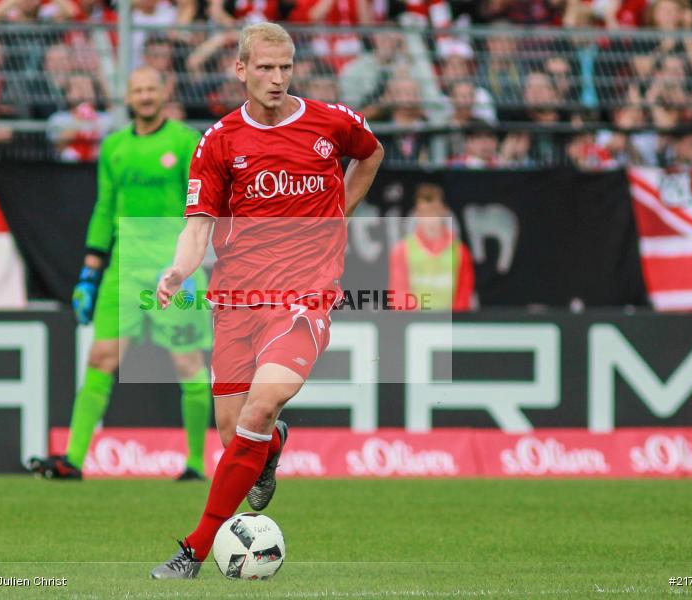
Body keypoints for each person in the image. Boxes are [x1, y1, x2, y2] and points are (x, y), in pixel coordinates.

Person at [151, 22, 383, 579]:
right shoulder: (220, 142)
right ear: (241, 70)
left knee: (259, 405)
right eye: (265, 69)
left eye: (284, 68)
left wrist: (338, 215)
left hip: (306, 294)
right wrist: (180, 270)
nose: (277, 79)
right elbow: (199, 224)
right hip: (236, 297)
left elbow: (370, 155)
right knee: (237, 434)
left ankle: (194, 549)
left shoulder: (334, 122)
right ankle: (271, 445)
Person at [27, 66, 213, 482]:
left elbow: (202, 206)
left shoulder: (185, 142)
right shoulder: (113, 147)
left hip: (174, 269)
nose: (145, 96)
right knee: (101, 356)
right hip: (124, 271)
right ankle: (73, 460)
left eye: (151, 88)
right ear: (127, 97)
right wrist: (89, 273)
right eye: (138, 90)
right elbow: (104, 209)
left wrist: (192, 262)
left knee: (187, 362)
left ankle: (197, 463)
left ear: (163, 92)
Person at [388, 183, 474, 311]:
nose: (430, 219)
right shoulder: (402, 251)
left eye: (434, 212)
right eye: (425, 213)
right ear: (416, 214)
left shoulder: (460, 252)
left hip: (450, 325)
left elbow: (463, 298)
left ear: (444, 211)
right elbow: (398, 296)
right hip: (416, 325)